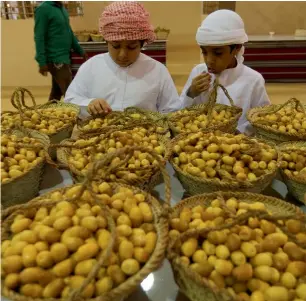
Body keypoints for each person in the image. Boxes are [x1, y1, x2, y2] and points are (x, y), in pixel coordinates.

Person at [64, 1, 181, 118]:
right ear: (106, 42)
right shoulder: (91, 67)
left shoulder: (157, 71)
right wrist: (88, 104)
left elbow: (171, 110)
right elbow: (69, 101)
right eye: (115, 46)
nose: (122, 55)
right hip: (98, 133)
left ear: (142, 44)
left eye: (131, 47)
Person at [180, 9, 271, 135]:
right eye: (204, 52)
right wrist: (191, 93)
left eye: (218, 53)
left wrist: (236, 134)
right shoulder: (198, 72)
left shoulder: (253, 80)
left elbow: (262, 119)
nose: (209, 61)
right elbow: (180, 114)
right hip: (200, 142)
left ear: (237, 48)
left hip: (238, 146)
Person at [34, 1, 87, 101]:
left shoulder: (61, 8)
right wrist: (41, 61)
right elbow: (39, 36)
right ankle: (76, 115)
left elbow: (68, 31)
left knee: (56, 94)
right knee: (71, 93)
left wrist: (79, 50)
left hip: (65, 57)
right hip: (55, 59)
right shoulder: (43, 9)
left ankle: (47, 115)